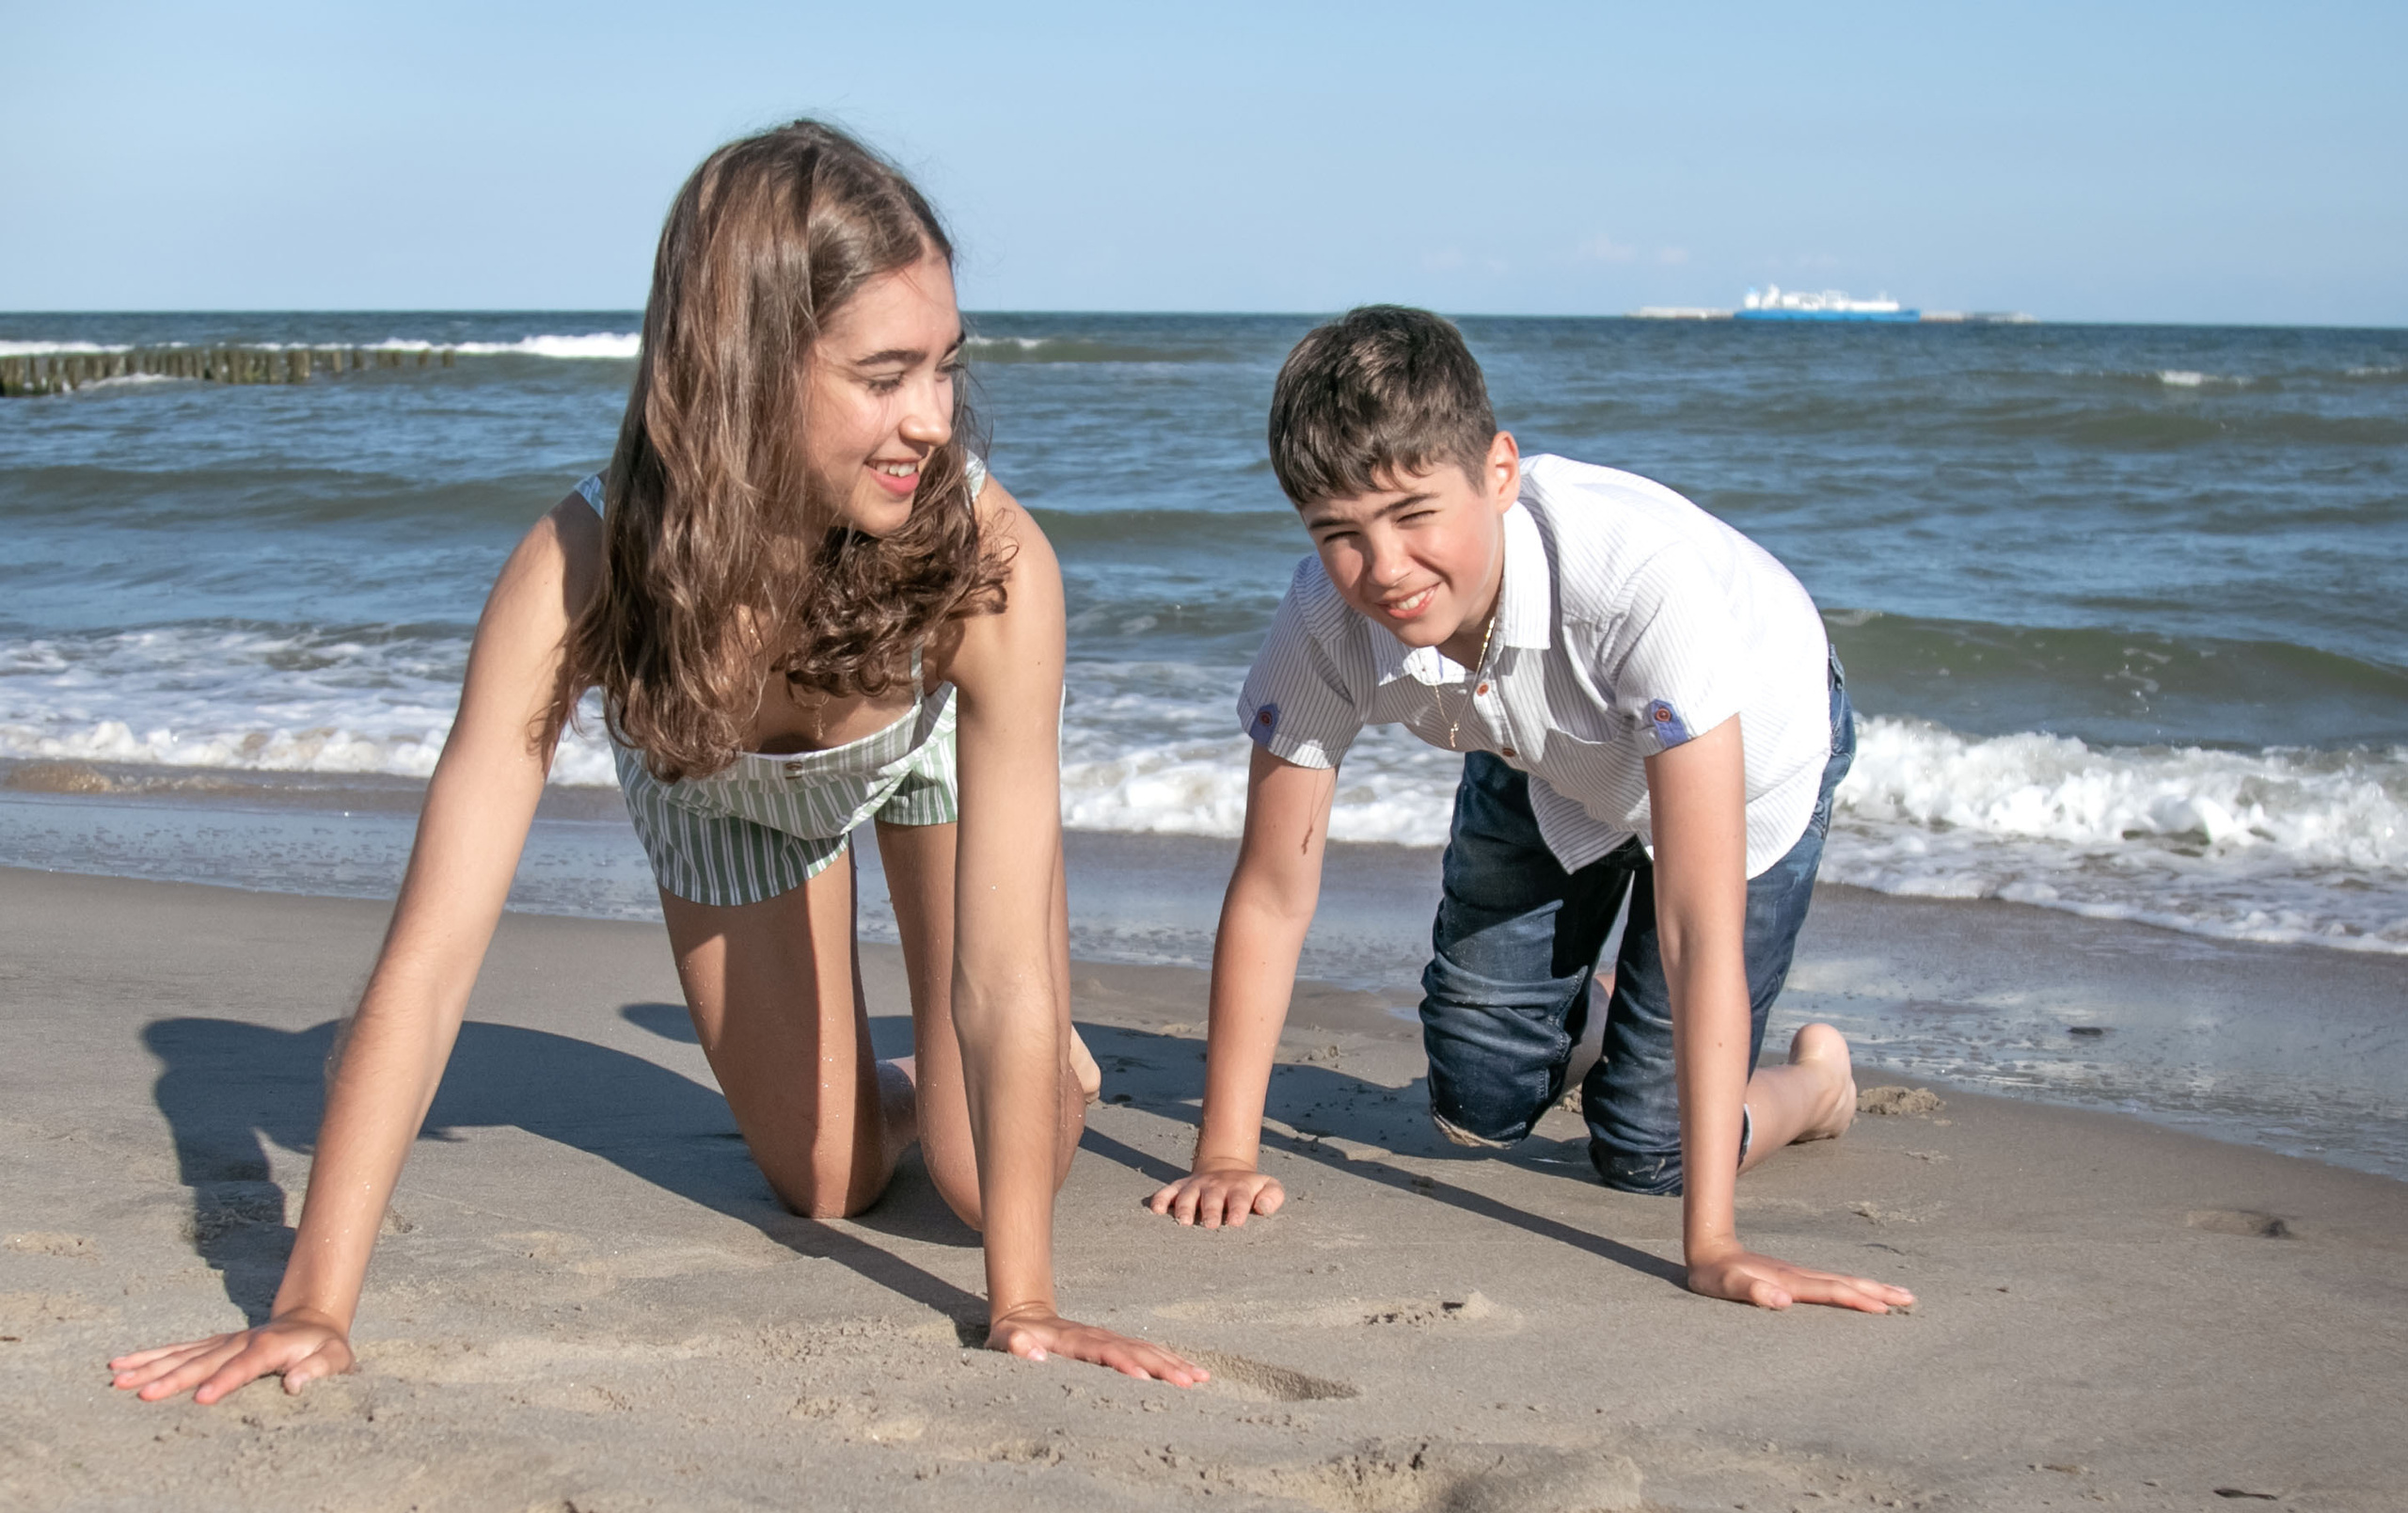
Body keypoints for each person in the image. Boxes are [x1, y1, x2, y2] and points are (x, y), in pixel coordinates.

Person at [113, 121, 1205, 1403]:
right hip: (724, 796)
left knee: (976, 1185)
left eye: (945, 368)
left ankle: (1022, 1088)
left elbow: (1005, 974)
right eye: (884, 375)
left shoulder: (987, 560)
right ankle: (899, 1084)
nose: (932, 419)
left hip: (924, 757)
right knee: (829, 1184)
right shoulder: (582, 571)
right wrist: (311, 1305)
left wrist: (1024, 1307)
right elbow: (428, 963)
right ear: (741, 369)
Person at [1147, 307, 1911, 1316]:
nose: (1384, 569)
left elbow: (1693, 924)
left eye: (1415, 513)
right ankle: (1593, 1009)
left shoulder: (1636, 585)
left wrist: (1713, 1244)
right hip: (1539, 748)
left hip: (1748, 746)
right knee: (1476, 1105)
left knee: (1648, 1150)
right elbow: (1272, 892)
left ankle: (1816, 1085)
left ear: (1497, 472)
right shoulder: (1326, 621)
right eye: (1340, 532)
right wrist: (1226, 1152)